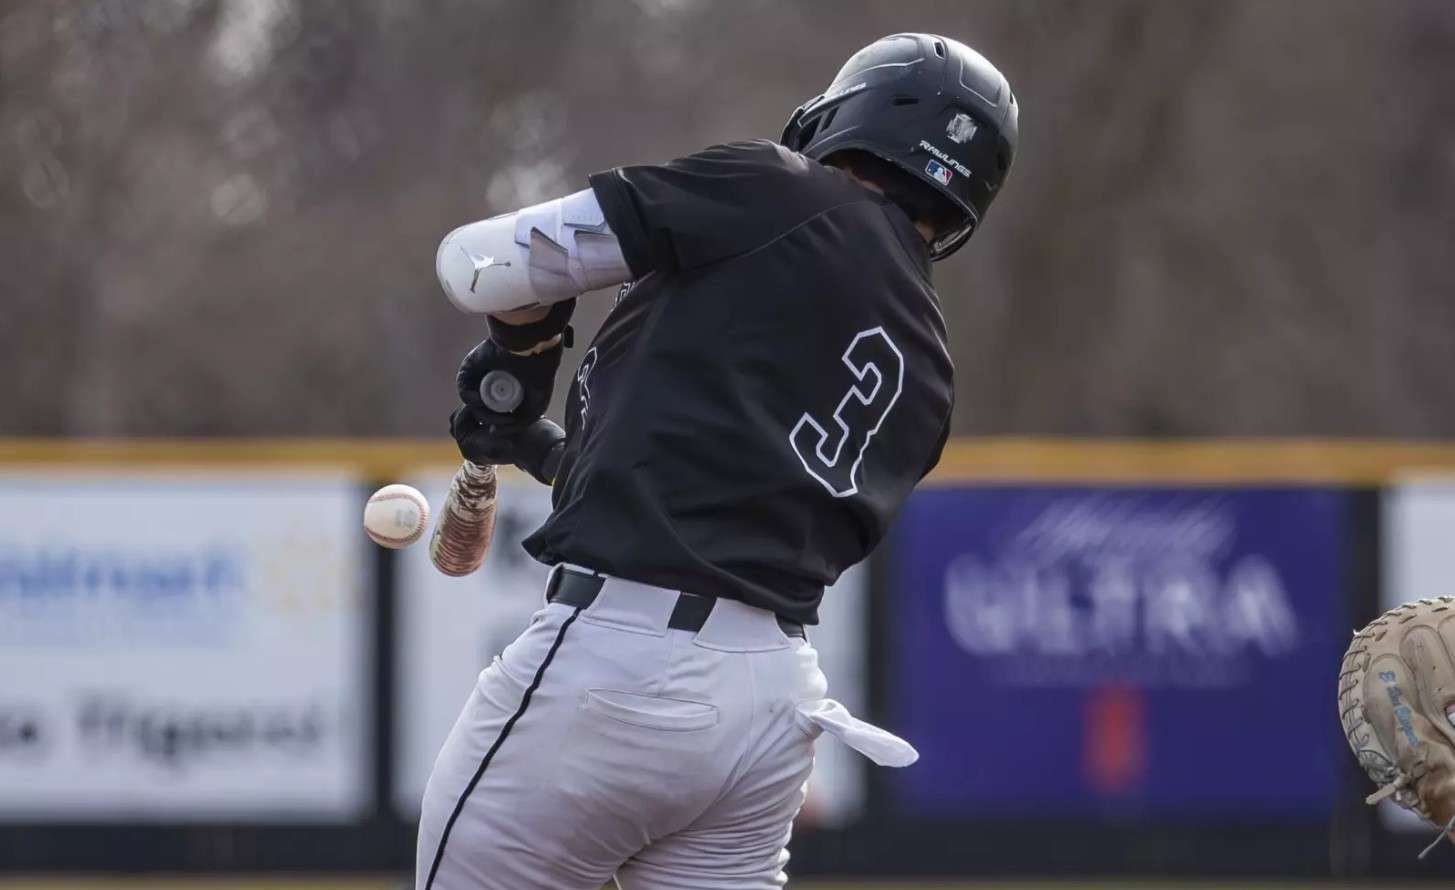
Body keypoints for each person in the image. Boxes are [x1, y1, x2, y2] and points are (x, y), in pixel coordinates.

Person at [417, 32, 1018, 890]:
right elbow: (714, 508)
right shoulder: (929, 365)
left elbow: (482, 266)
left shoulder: (776, 190)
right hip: (767, 710)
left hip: (613, 672)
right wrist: (544, 447)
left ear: (854, 112)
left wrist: (531, 343)